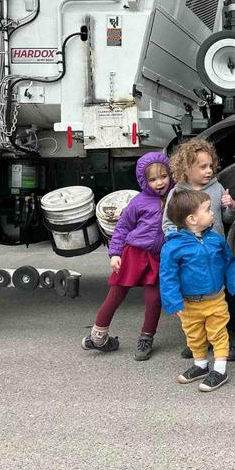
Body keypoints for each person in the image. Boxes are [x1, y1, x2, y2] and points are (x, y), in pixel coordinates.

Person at [81, 153, 172, 361]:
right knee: (116, 294)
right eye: (152, 179)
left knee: (154, 298)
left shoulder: (175, 197)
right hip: (134, 253)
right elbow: (121, 228)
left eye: (163, 176)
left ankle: (146, 338)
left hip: (158, 256)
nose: (159, 183)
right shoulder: (138, 202)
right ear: (143, 181)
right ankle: (98, 335)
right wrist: (115, 254)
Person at [162, 138, 235, 362]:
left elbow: (227, 220)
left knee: (219, 300)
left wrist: (230, 207)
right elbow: (167, 224)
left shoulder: (216, 188)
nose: (209, 171)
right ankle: (196, 341)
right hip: (190, 260)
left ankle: (223, 341)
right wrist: (180, 244)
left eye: (210, 166)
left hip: (215, 255)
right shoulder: (177, 193)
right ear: (186, 169)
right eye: (202, 167)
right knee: (192, 302)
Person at [159, 190, 235, 392]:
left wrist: (234, 284)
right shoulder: (172, 247)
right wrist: (174, 303)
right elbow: (167, 276)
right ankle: (201, 366)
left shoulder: (216, 240)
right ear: (192, 219)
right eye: (207, 210)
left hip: (215, 299)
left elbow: (230, 262)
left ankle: (220, 370)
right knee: (194, 336)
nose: (213, 213)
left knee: (219, 334)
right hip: (189, 303)